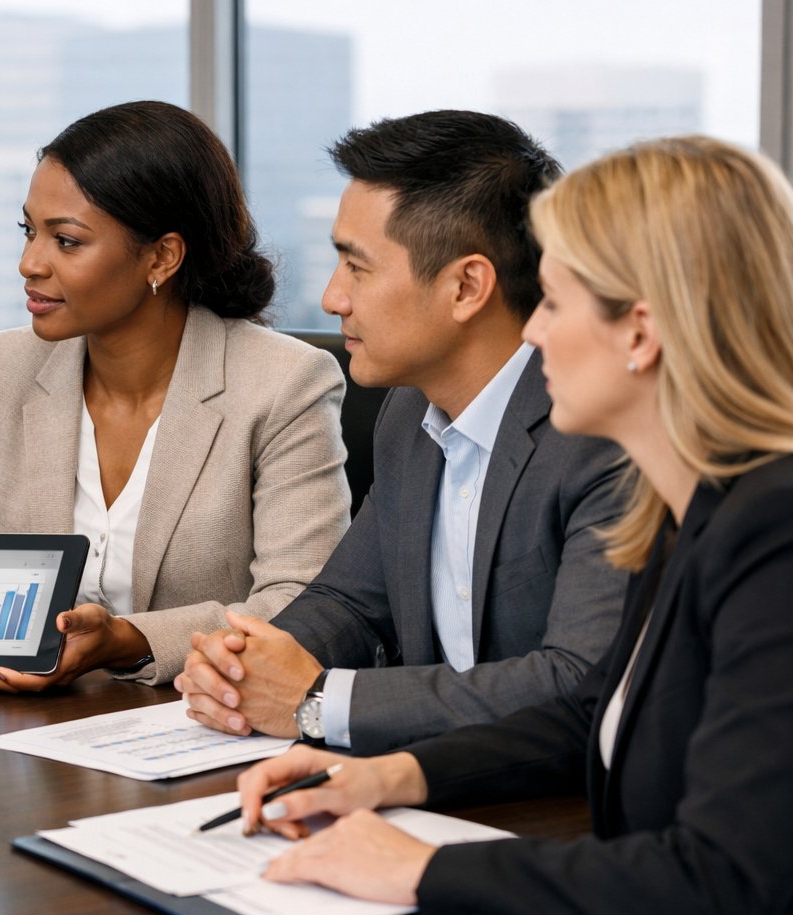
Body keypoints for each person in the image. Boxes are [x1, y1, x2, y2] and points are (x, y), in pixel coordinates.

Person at [235, 135, 793, 915]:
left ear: (640, 334)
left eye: (555, 304)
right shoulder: (693, 508)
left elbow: (724, 882)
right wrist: (396, 776)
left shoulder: (771, 532)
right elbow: (591, 711)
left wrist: (429, 870)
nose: (529, 332)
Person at [0, 100, 351, 690]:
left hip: (203, 720)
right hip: (22, 725)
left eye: (67, 241)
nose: (30, 263)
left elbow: (304, 603)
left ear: (162, 256)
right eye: (29, 231)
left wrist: (128, 640)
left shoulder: (285, 383)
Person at [178, 110, 628, 752]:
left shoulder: (597, 432)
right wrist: (242, 663)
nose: (333, 299)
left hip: (556, 806)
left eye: (357, 267)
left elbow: (580, 679)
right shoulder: (407, 413)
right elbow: (352, 601)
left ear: (466, 286)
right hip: (430, 780)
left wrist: (317, 703)